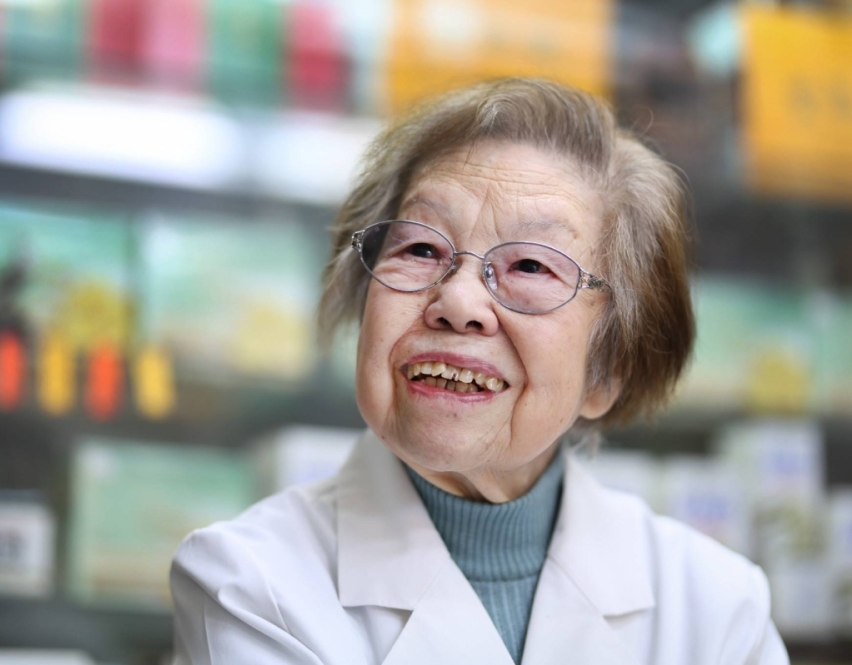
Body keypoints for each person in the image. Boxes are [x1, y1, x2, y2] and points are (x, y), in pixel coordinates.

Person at [170, 78, 789, 665]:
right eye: (420, 249)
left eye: (530, 266)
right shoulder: (250, 584)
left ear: (606, 371)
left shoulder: (716, 607)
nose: (459, 303)